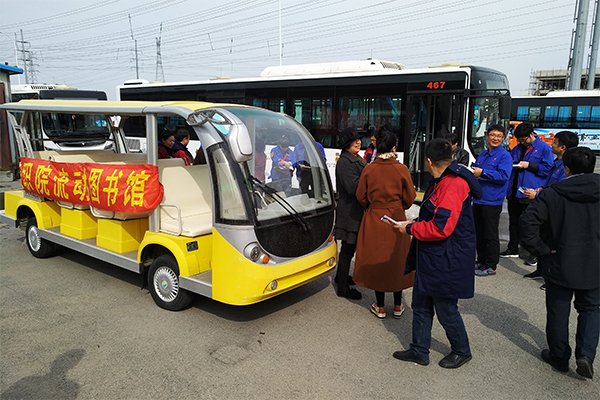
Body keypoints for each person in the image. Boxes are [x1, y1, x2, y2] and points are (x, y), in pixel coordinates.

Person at [392, 138, 482, 369]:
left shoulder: (453, 185)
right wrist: (414, 222)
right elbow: (434, 217)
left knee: (446, 309)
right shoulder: (442, 180)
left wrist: (409, 229)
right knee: (421, 304)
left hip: (447, 258)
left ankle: (462, 350)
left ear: (429, 161)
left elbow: (441, 228)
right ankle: (419, 350)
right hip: (432, 256)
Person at [519, 147, 599, 379]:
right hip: (595, 261)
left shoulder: (553, 193)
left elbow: (527, 222)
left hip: (559, 259)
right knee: (591, 309)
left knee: (558, 311)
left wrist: (541, 250)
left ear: (566, 169)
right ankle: (586, 355)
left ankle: (559, 356)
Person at [354, 130, 416, 318]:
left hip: (374, 217)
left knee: (377, 259)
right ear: (394, 146)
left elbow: (360, 196)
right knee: (397, 259)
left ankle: (380, 306)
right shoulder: (401, 169)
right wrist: (398, 205)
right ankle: (398, 305)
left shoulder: (369, 169)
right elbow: (410, 198)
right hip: (397, 217)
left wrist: (373, 206)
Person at [521, 130, 579, 281]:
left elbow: (560, 191)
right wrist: (541, 189)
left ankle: (551, 276)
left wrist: (537, 195)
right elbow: (550, 185)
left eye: (555, 142)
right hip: (547, 205)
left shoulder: (566, 166)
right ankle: (541, 270)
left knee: (553, 243)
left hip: (555, 209)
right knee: (544, 238)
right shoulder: (556, 163)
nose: (551, 144)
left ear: (563, 148)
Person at [500, 122, 553, 264]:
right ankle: (513, 248)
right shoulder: (516, 148)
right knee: (513, 221)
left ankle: (532, 252)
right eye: (520, 140)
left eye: (524, 139)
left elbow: (547, 169)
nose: (522, 142)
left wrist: (529, 165)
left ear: (532, 134)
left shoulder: (544, 148)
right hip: (514, 190)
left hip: (530, 191)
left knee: (531, 224)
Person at [472, 124, 513, 276]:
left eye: (499, 136)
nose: (495, 138)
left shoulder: (504, 156)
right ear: (486, 136)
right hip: (478, 199)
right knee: (479, 233)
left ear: (503, 138)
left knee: (490, 235)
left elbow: (503, 176)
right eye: (493, 135)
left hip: (492, 201)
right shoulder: (483, 154)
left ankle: (491, 264)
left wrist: (482, 172)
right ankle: (481, 260)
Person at [334, 127, 365, 300]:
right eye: (354, 140)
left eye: (359, 139)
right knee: (347, 249)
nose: (358, 142)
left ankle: (341, 277)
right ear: (347, 143)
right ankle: (343, 288)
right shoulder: (345, 162)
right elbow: (353, 187)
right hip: (350, 212)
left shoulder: (355, 158)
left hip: (354, 211)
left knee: (348, 248)